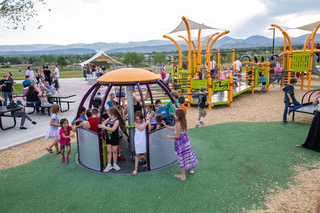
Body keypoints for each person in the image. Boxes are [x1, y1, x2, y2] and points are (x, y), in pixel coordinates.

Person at [162, 109, 198, 181]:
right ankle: (190, 168)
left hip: (181, 142)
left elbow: (177, 136)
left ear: (178, 116)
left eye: (175, 114)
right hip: (185, 140)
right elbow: (175, 129)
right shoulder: (182, 121)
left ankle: (183, 175)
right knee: (187, 154)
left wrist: (169, 137)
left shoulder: (178, 124)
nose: (174, 115)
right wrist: (166, 125)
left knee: (181, 156)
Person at [98, 107, 121, 172]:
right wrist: (99, 117)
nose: (108, 115)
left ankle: (115, 164)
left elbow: (113, 129)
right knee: (108, 151)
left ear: (113, 115)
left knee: (114, 151)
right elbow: (103, 124)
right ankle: (108, 165)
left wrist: (104, 127)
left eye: (109, 114)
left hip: (114, 138)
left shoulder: (117, 121)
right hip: (108, 137)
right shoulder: (108, 119)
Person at [131, 110, 150, 176]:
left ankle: (147, 163)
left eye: (139, 119)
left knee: (145, 153)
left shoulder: (145, 121)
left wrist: (148, 121)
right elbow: (141, 128)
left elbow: (149, 129)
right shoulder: (135, 122)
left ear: (142, 118)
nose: (138, 120)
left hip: (144, 139)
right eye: (136, 119)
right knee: (137, 154)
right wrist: (146, 123)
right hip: (138, 140)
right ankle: (135, 169)